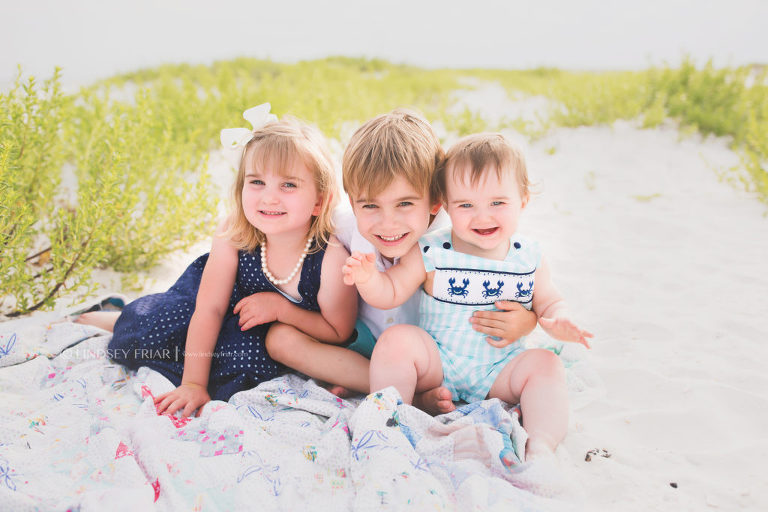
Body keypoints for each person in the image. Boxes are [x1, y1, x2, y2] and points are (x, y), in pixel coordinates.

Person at [77, 105, 357, 417]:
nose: (269, 197)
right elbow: (208, 309)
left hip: (259, 330)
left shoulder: (328, 257)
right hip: (205, 305)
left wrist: (281, 310)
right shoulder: (234, 234)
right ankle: (118, 316)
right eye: (256, 182)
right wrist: (193, 384)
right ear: (240, 189)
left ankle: (131, 319)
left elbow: (338, 331)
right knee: (154, 327)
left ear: (320, 200)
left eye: (288, 185)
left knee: (243, 365)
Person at [265, 110, 538, 414]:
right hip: (363, 344)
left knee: (402, 356)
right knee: (279, 340)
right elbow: (301, 224)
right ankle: (393, 391)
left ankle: (400, 389)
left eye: (405, 203)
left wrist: (528, 320)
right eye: (370, 205)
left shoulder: (456, 236)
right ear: (352, 202)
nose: (388, 223)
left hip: (428, 357)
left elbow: (511, 276)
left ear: (436, 200)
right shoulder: (346, 225)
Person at [344, 133, 593, 459]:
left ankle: (542, 442)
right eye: (466, 205)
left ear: (523, 200)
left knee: (546, 363)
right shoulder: (431, 250)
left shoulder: (528, 256)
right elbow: (390, 292)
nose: (482, 216)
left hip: (500, 368)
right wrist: (367, 279)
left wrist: (558, 321)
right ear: (446, 205)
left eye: (497, 203)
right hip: (438, 361)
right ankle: (389, 420)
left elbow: (549, 300)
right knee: (396, 341)